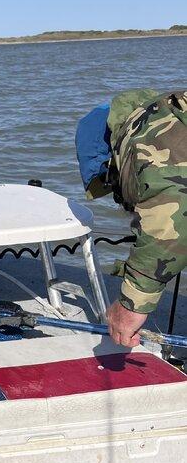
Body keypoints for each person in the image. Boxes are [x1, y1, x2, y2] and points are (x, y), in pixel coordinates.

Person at [76, 88, 187, 346]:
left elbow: (171, 215)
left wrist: (131, 305)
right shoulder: (172, 113)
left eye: (113, 187)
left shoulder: (151, 136)